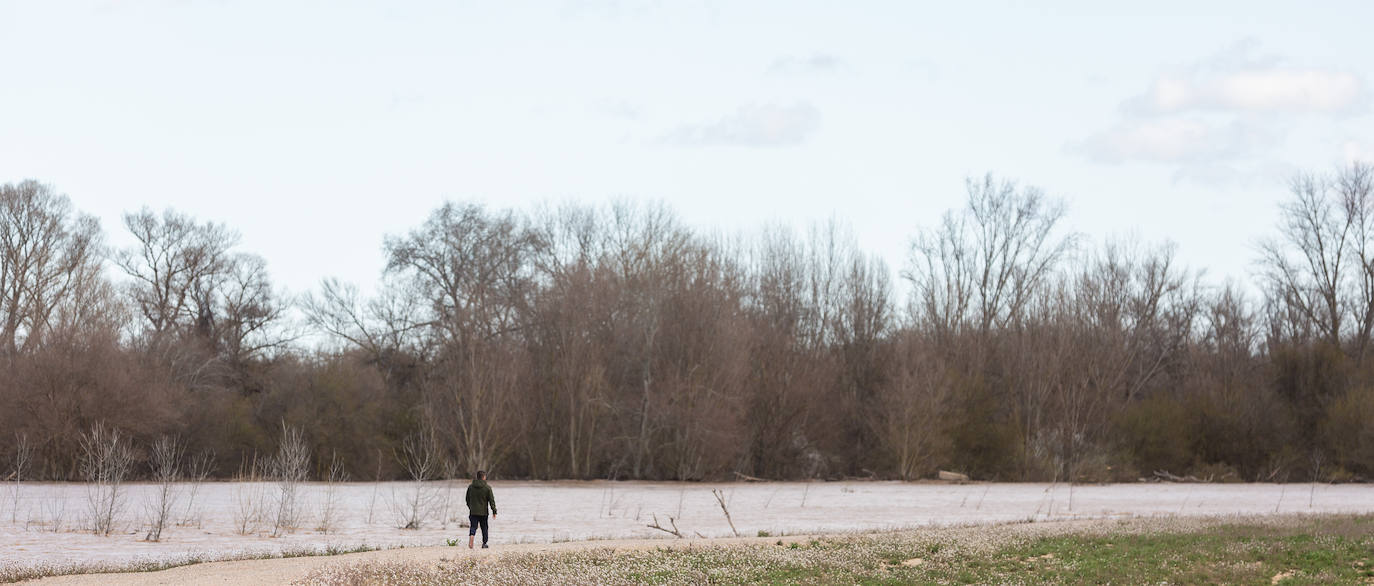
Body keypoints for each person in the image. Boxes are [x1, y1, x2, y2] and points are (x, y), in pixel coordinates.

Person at [465, 470, 497, 549]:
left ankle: (472, 536)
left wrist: (471, 507)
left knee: (473, 526)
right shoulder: (487, 488)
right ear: (483, 477)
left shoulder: (470, 487)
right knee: (484, 527)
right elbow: (491, 500)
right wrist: (494, 511)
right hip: (483, 512)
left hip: (473, 511)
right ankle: (484, 543)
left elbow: (467, 499)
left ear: (477, 477)